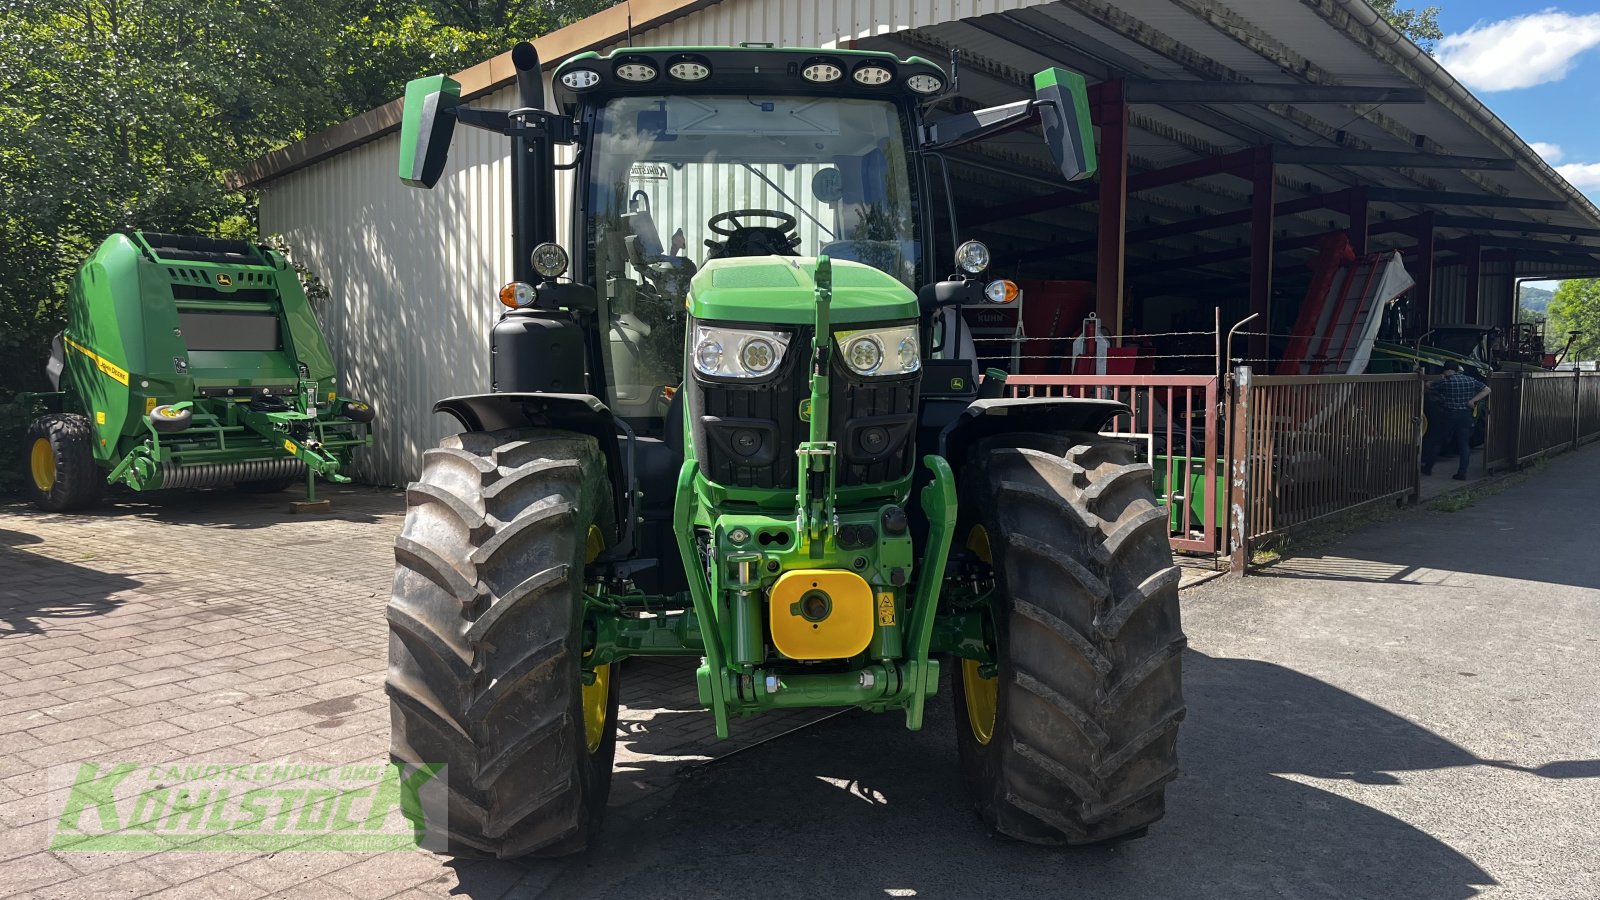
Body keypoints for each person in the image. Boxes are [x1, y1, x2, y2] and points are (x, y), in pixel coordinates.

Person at [1421, 361, 1490, 480]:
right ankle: (1462, 473)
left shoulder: (1446, 382)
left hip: (1449, 415)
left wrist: (1440, 378)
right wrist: (1472, 401)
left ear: (1446, 370)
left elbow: (1428, 385)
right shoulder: (1470, 380)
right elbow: (1487, 390)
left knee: (1438, 441)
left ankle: (1428, 468)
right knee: (1464, 444)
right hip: (1465, 416)